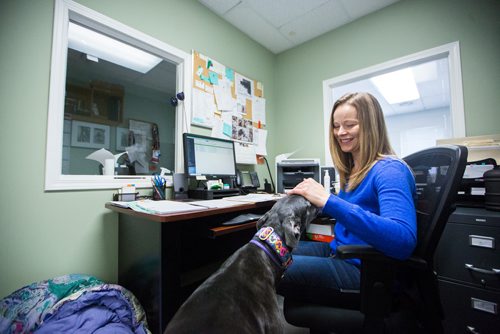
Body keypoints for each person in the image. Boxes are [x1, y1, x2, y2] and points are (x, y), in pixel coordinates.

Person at [278, 92, 417, 306]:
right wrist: (305, 199)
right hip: (341, 251)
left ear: (371, 126)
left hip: (367, 270)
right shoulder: (354, 171)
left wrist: (329, 200)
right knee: (264, 248)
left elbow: (402, 240)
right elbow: (349, 211)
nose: (340, 132)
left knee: (264, 265)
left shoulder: (390, 170)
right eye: (336, 126)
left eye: (350, 125)